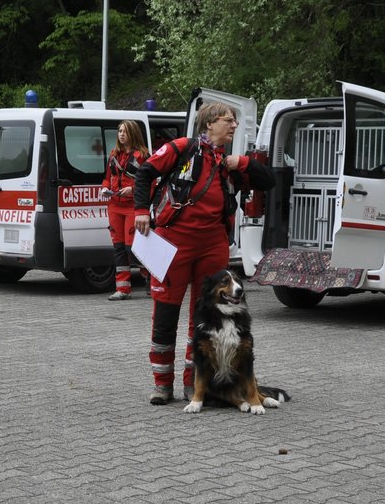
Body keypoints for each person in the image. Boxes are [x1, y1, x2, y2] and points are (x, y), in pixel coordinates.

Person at [132, 102, 271, 404]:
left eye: (235, 121)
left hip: (213, 245)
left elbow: (268, 181)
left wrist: (242, 163)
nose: (233, 126)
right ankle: (161, 384)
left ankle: (193, 384)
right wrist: (141, 211)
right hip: (173, 244)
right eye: (227, 120)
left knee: (204, 318)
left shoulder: (228, 161)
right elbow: (144, 174)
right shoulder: (182, 147)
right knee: (165, 313)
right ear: (208, 124)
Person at [103, 119, 149, 300]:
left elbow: (151, 182)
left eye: (125, 131)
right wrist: (104, 188)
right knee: (119, 248)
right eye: (119, 131)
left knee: (133, 248)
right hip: (114, 205)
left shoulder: (143, 156)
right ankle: (123, 289)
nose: (121, 134)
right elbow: (107, 177)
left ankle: (150, 277)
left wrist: (133, 189)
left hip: (133, 206)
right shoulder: (114, 154)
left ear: (133, 133)